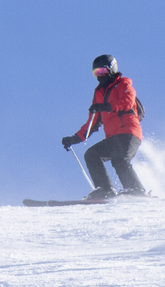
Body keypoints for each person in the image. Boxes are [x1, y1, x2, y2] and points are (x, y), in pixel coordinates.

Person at [61, 54, 145, 199]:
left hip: (128, 133)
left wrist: (106, 106)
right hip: (113, 137)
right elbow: (92, 122)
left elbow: (127, 101)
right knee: (92, 154)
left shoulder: (123, 84)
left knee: (120, 160)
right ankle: (105, 189)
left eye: (103, 72)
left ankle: (136, 190)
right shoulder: (98, 92)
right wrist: (75, 138)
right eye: (96, 73)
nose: (100, 76)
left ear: (112, 70)